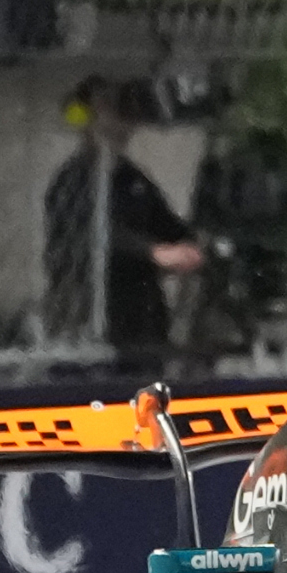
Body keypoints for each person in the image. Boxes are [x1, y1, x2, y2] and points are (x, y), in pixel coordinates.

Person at [43, 76, 203, 373]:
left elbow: (164, 222)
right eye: (106, 113)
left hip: (141, 317)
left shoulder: (132, 178)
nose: (118, 124)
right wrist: (153, 252)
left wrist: (190, 244)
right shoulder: (72, 180)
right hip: (91, 315)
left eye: (121, 114)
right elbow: (90, 234)